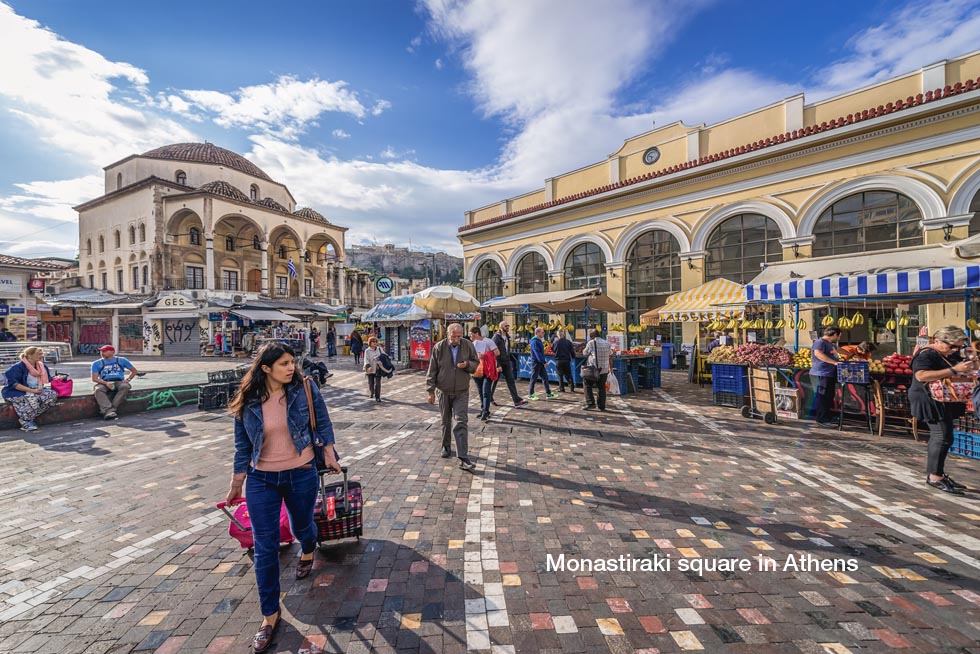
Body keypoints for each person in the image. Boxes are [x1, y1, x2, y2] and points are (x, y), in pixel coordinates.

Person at [226, 342, 342, 653]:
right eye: (284, 364)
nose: (291, 368)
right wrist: (237, 481)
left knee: (302, 525)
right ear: (266, 368)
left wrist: (329, 454)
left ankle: (307, 549)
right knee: (265, 547)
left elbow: (324, 422)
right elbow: (241, 445)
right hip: (261, 479)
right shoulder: (248, 399)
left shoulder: (304, 388)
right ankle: (269, 615)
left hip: (301, 473)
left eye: (292, 362)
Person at [908, 326, 974, 494]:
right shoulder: (927, 354)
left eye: (958, 347)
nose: (954, 350)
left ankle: (937, 473)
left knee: (944, 436)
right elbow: (921, 375)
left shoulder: (949, 354)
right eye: (951, 346)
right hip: (928, 399)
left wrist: (971, 357)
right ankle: (935, 477)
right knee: (942, 436)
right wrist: (954, 370)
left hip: (943, 399)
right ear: (937, 341)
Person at [426, 323, 479, 471]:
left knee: (461, 421)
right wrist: (430, 391)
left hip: (462, 391)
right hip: (443, 390)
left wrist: (467, 364)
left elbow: (476, 363)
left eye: (459, 336)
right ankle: (446, 446)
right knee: (445, 421)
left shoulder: (468, 345)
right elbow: (432, 370)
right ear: (447, 334)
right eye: (453, 336)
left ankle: (463, 457)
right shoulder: (439, 347)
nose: (456, 339)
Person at [2, 346, 59, 431]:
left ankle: (30, 415)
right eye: (39, 354)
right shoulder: (18, 367)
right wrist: (32, 391)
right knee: (32, 398)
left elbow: (48, 378)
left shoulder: (41, 366)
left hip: (36, 390)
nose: (42, 355)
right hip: (15, 392)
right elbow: (13, 384)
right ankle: (25, 421)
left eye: (42, 353)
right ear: (29, 355)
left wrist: (57, 378)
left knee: (52, 395)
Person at [90, 345, 138, 420]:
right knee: (98, 390)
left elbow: (134, 371)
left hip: (119, 381)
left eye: (105, 351)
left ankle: (111, 409)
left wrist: (128, 379)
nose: (102, 353)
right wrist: (105, 383)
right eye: (101, 351)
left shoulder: (122, 360)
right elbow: (94, 379)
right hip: (104, 381)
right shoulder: (96, 363)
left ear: (112, 352)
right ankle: (108, 410)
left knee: (125, 386)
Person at [491, 322, 528, 409]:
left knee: (511, 381)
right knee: (494, 381)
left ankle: (517, 401)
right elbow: (493, 352)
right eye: (506, 326)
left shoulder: (507, 337)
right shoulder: (496, 337)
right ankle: (488, 398)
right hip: (499, 362)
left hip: (506, 362)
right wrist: (497, 365)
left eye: (508, 326)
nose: (508, 327)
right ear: (501, 327)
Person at [810, 327, 841, 427]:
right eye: (839, 336)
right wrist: (834, 362)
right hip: (822, 373)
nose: (839, 339)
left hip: (828, 373)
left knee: (829, 396)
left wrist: (852, 353)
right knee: (823, 396)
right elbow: (818, 354)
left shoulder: (830, 344)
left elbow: (838, 350)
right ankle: (821, 419)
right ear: (835, 334)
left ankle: (827, 417)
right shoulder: (820, 342)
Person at [470, 325, 499, 421]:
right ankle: (483, 409)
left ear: (476, 333)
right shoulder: (472, 343)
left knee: (486, 391)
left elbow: (497, 352)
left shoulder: (488, 341)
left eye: (471, 335)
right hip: (477, 370)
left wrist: (485, 355)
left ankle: (486, 411)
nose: (470, 337)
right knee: (480, 391)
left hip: (488, 369)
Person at [582, 329, 612, 411]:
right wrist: (610, 368)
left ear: (592, 336)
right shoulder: (607, 343)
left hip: (593, 370)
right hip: (604, 369)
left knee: (587, 384)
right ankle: (601, 406)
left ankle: (590, 403)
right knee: (601, 387)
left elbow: (584, 353)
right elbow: (610, 355)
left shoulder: (591, 343)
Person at [527, 327, 557, 401]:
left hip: (540, 363)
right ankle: (531, 394)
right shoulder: (535, 341)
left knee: (545, 378)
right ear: (537, 333)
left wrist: (543, 361)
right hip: (536, 363)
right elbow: (537, 353)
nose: (543, 333)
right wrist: (544, 362)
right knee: (533, 378)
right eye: (542, 332)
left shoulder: (538, 340)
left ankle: (548, 393)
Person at [363, 336, 383, 402]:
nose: (375, 343)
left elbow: (384, 355)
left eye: (376, 342)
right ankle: (372, 392)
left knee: (378, 383)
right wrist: (368, 367)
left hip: (378, 368)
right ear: (370, 343)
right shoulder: (367, 351)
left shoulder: (379, 349)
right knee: (371, 383)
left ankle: (378, 397)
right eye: (373, 342)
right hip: (370, 369)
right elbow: (366, 360)